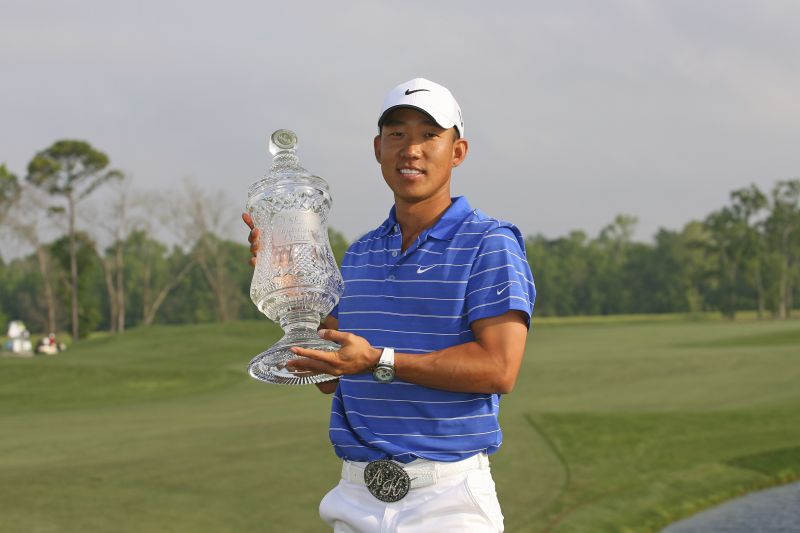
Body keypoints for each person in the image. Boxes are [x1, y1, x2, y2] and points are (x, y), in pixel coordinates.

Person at [244, 78, 535, 532]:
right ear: (379, 148)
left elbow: (499, 368)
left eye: (429, 135)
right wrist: (290, 283)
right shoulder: (359, 254)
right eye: (397, 134)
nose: (411, 149)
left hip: (447, 502)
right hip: (356, 498)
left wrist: (379, 361)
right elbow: (332, 376)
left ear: (457, 151)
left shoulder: (489, 243)